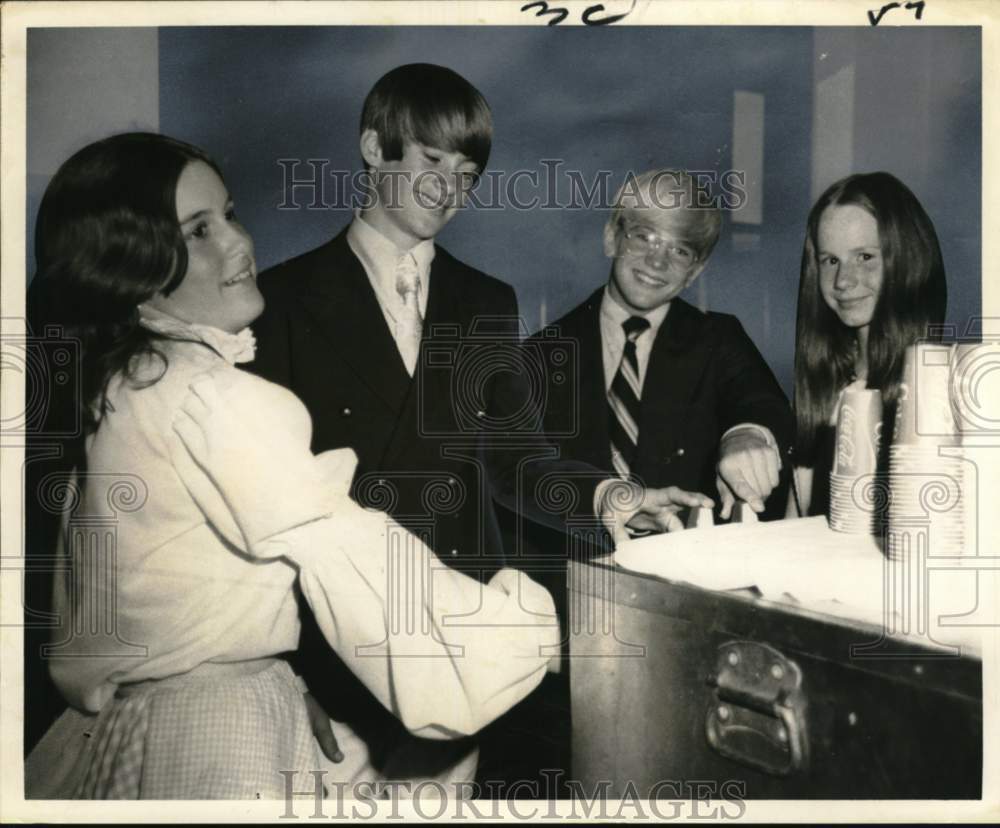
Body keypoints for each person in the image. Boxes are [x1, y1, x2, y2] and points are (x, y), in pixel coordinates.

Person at [23, 131, 571, 800]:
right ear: (128, 268)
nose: (236, 243)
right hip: (219, 741)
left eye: (228, 213)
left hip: (137, 728)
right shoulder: (219, 398)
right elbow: (362, 564)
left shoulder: (124, 386)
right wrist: (534, 628)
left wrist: (274, 682)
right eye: (198, 231)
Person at [250, 65, 711, 791]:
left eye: (465, 172)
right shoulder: (280, 299)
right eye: (431, 161)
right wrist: (277, 677)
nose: (448, 187)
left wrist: (614, 499)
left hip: (457, 659)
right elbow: (258, 510)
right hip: (331, 669)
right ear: (375, 148)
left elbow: (517, 460)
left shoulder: (484, 301)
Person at [499, 169, 795, 785]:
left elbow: (763, 406)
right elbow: (514, 473)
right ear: (612, 236)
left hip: (681, 635)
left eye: (680, 249)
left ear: (697, 269)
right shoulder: (540, 354)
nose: (658, 261)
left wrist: (746, 435)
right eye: (643, 237)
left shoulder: (719, 341)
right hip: (563, 643)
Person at [790, 171, 947, 516]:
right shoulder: (828, 388)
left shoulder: (939, 394)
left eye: (865, 257)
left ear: (907, 261)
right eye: (831, 261)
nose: (844, 281)